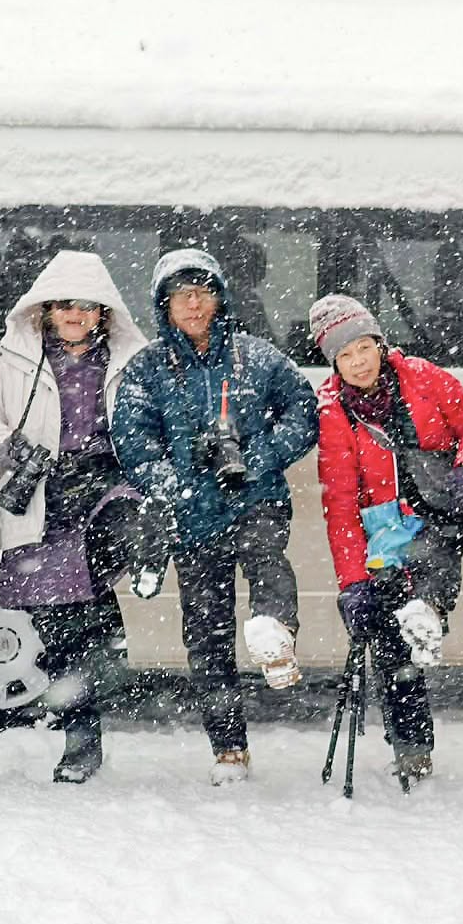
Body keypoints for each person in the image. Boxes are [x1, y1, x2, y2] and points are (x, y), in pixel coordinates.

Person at [112, 248, 321, 784]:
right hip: (191, 517)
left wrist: (259, 457)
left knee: (267, 561)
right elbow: (133, 442)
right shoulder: (148, 368)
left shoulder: (257, 357)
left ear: (220, 297)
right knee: (206, 634)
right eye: (181, 294)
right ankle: (228, 747)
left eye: (203, 291)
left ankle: (276, 634)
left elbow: (303, 409)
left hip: (255, 498)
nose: (194, 302)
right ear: (164, 305)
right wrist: (176, 484)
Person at [0, 250, 153, 785]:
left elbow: (151, 425)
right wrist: (11, 450)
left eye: (86, 306)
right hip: (43, 496)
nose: (75, 315)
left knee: (92, 623)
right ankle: (82, 736)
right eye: (64, 306)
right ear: (46, 310)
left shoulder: (130, 358)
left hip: (107, 491)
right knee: (63, 628)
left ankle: (89, 720)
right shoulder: (14, 358)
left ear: (104, 312)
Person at [309, 294, 463, 782]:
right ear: (333, 362)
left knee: (435, 561)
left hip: (440, 505)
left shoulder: (420, 374)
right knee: (386, 635)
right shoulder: (333, 413)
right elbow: (341, 508)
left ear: (379, 341)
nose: (357, 362)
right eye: (344, 354)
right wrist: (352, 582)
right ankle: (413, 746)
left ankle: (429, 610)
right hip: (383, 531)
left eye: (363, 347)